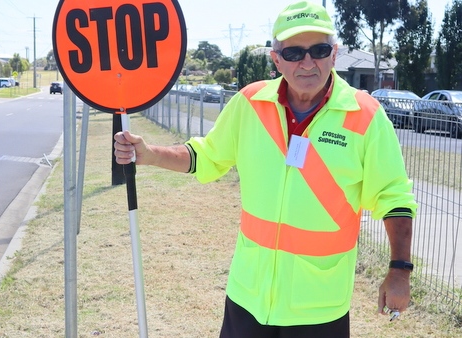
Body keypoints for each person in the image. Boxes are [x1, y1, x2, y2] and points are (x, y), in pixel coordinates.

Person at [114, 1, 417, 337]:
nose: (307, 62)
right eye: (293, 53)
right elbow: (206, 156)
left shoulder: (367, 116)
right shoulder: (249, 103)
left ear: (334, 54)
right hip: (248, 297)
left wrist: (400, 270)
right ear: (276, 60)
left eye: (318, 50)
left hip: (319, 306)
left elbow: (394, 198)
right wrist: (149, 154)